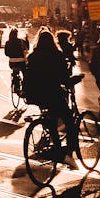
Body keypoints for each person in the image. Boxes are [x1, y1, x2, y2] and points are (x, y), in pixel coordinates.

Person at [22, 29, 78, 169]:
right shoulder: (56, 55)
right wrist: (75, 80)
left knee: (51, 120)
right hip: (52, 93)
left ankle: (55, 147)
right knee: (69, 120)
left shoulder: (33, 56)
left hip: (35, 95)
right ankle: (67, 153)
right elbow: (64, 79)